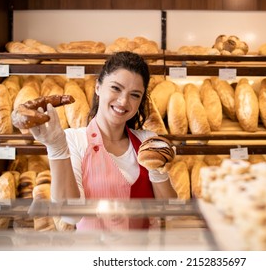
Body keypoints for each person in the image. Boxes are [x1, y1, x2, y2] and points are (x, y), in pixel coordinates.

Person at [31, 51, 177, 231]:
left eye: (135, 95)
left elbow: (170, 213)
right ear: (98, 87)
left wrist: (159, 172)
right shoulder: (74, 140)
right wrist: (56, 148)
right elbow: (69, 214)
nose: (123, 101)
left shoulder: (147, 143)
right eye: (116, 88)